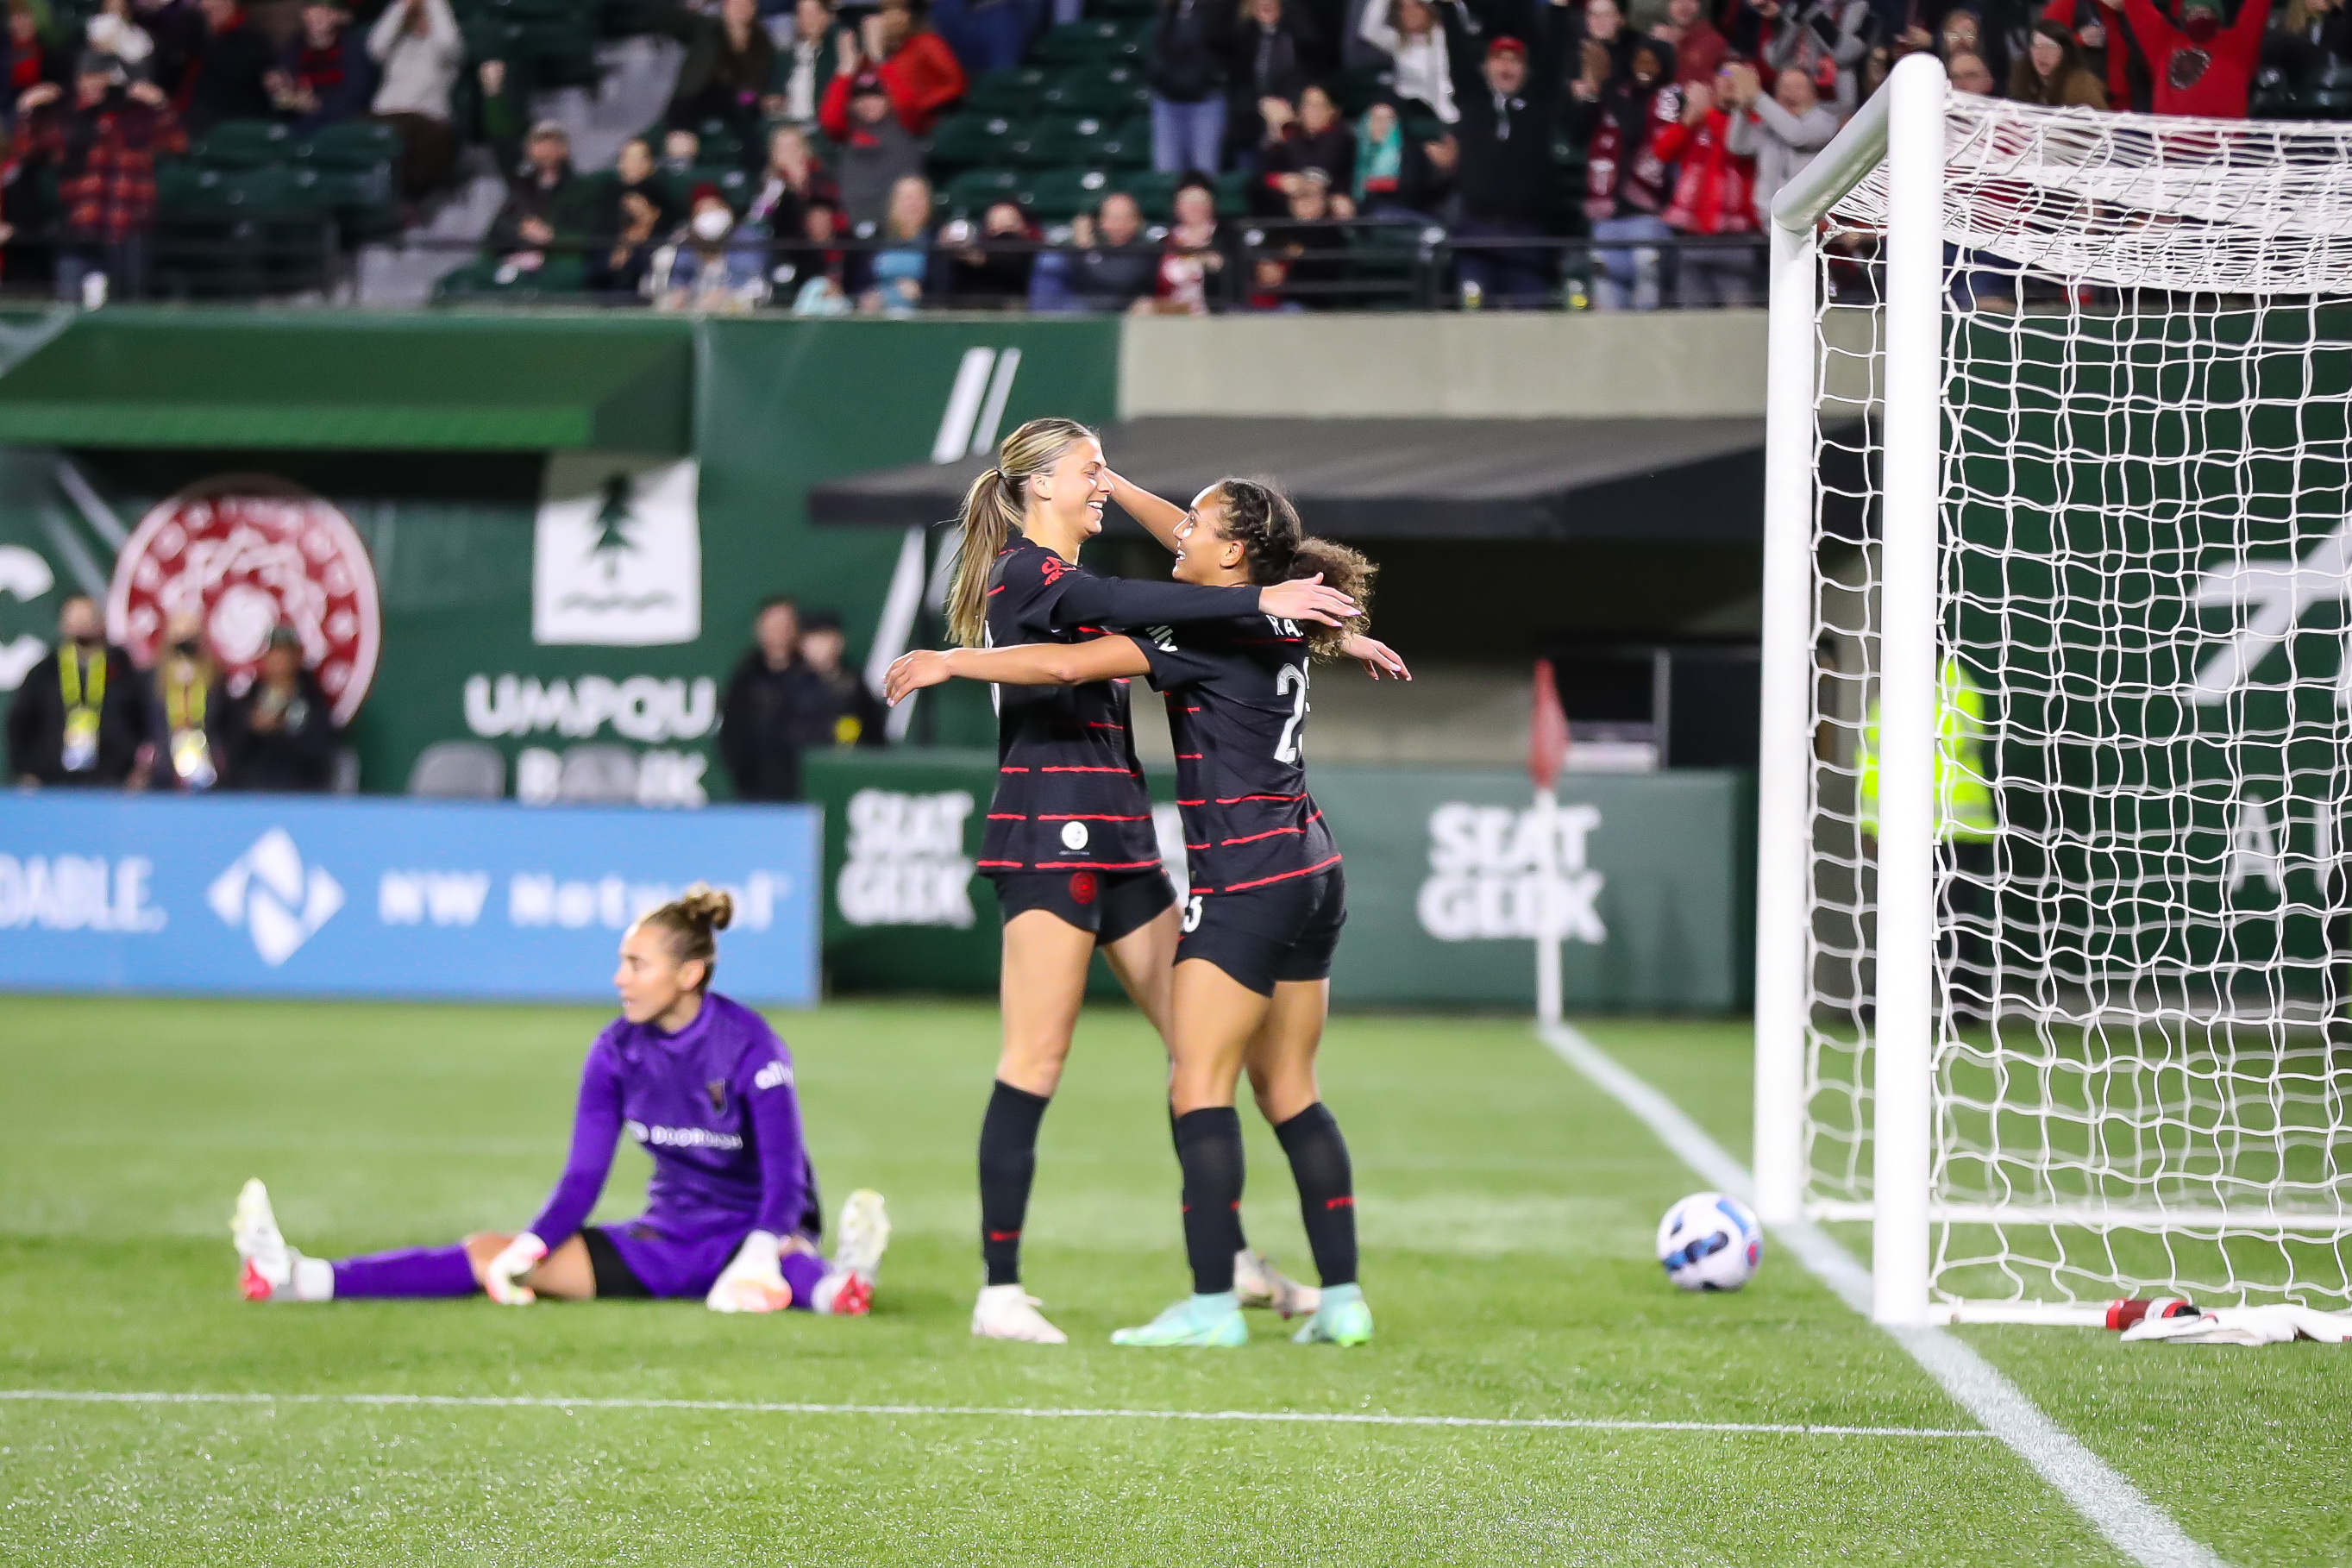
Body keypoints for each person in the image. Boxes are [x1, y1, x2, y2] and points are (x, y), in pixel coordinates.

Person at [885, 474, 1408, 1349]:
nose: (1177, 532)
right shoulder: (1274, 610)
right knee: (1291, 1091)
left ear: (1234, 550)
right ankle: (1344, 1299)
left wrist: (951, 660)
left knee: (1196, 1085)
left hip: (1244, 878)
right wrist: (1120, 482)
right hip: (1316, 865)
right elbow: (1205, 561)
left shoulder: (1196, 628)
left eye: (1194, 522)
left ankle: (1211, 1306)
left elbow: (1061, 660)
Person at [231, 887, 894, 1315]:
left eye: (638, 964)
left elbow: (785, 1183)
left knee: (792, 1264)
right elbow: (582, 1180)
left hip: (759, 1235)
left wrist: (757, 1252)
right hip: (662, 1240)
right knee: (487, 1252)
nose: (619, 979)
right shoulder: (614, 1052)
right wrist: (531, 1246)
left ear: (688, 974)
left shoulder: (751, 1045)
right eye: (621, 961)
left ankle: (840, 1284)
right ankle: (302, 1277)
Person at [15, 53, 182, 302]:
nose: (94, 83)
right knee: (69, 307)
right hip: (79, 224)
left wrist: (160, 105)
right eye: (88, 76)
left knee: (128, 307)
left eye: (102, 76)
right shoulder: (65, 116)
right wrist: (26, 109)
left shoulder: (138, 115)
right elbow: (26, 152)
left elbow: (177, 145)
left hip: (128, 226)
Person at [1439, 0, 1566, 308]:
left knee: (1532, 317)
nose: (1506, 67)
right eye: (1499, 59)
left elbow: (1553, 60)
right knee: (1472, 306)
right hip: (1475, 237)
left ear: (1525, 70)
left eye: (1514, 61)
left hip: (1527, 240)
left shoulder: (1539, 107)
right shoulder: (1472, 100)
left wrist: (1559, 13)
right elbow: (1456, 52)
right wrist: (1446, 9)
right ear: (1486, 66)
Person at [1570, 34, 1681, 312]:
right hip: (1606, 222)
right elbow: (1575, 133)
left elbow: (1633, 128)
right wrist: (1594, 90)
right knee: (1607, 319)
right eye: (1640, 60)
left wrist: (1605, 82)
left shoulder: (1671, 99)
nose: (1644, 66)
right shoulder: (1617, 95)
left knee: (1646, 313)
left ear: (1664, 67)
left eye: (1652, 61)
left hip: (1646, 221)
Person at [5, 592, 144, 787]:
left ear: (100, 623)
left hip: (111, 784)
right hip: (52, 785)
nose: (81, 625)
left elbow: (143, 724)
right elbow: (20, 725)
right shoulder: (44, 673)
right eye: (75, 618)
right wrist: (26, 771)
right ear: (63, 624)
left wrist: (135, 770)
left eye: (87, 618)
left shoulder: (122, 670)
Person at [1653, 69, 1757, 307]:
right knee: (1694, 324)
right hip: (1694, 236)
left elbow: (1735, 146)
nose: (1729, 81)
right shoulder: (1696, 119)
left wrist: (1710, 110)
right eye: (1724, 74)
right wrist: (1689, 119)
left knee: (1739, 321)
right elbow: (1663, 151)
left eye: (1736, 76)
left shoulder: (1753, 120)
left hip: (1736, 239)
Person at [721, 597, 823, 800]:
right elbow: (731, 734)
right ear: (759, 629)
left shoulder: (813, 679)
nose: (779, 632)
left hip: (804, 790)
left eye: (785, 625)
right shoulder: (745, 679)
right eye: (773, 626)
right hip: (753, 791)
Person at [216, 626, 338, 793]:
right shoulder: (249, 700)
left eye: (286, 653)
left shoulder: (313, 702)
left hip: (297, 792)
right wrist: (251, 728)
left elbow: (321, 754)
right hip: (248, 793)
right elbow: (230, 753)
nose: (280, 660)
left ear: (298, 656)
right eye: (275, 653)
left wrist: (283, 728)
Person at [366, 0, 463, 203]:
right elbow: (374, 46)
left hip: (425, 118)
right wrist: (402, 7)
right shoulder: (399, 45)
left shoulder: (446, 51)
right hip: (386, 115)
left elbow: (447, 41)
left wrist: (434, 4)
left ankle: (406, 205)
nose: (421, 21)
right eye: (417, 17)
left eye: (426, 16)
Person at [1722, 60, 1836, 229]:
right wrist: (1742, 105)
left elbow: (1797, 135)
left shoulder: (1824, 121)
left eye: (1798, 87)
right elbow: (1738, 145)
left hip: (1812, 223)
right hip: (1770, 223)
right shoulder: (1769, 126)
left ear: (1813, 94)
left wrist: (1757, 97)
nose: (1791, 94)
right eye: (1785, 87)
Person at [832, 0, 965, 136]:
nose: (895, 19)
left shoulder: (927, 43)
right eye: (887, 12)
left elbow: (956, 85)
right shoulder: (870, 53)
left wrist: (922, 104)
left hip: (919, 128)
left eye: (901, 11)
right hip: (879, 130)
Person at [2112, 0, 2267, 116]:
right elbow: (2137, 7)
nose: (2198, 15)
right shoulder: (2164, 43)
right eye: (2191, 11)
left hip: (2225, 151)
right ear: (2183, 17)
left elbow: (2258, 7)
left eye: (2206, 10)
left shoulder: (2238, 43)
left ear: (2217, 15)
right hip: (2173, 151)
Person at [818, 66, 924, 233]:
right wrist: (844, 74)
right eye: (861, 98)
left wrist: (882, 63)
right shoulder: (848, 130)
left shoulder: (906, 125)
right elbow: (830, 120)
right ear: (852, 104)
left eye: (876, 97)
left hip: (896, 225)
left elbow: (908, 103)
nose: (868, 103)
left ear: (889, 99)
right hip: (851, 226)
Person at [668, 0, 777, 158]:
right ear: (726, 7)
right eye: (735, 5)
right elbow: (697, 75)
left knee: (746, 113)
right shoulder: (708, 30)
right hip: (703, 96)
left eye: (746, 5)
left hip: (741, 100)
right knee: (681, 110)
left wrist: (750, 98)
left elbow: (757, 82)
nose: (740, 10)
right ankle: (682, 158)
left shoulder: (762, 40)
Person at [486, 119, 588, 275]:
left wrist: (552, 236)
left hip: (557, 266)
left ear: (563, 149)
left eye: (551, 144)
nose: (544, 150)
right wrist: (522, 230)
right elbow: (498, 229)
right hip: (515, 261)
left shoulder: (577, 189)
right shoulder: (521, 188)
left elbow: (586, 233)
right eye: (539, 143)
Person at [1224, 0, 1318, 160]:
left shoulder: (1295, 37)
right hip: (1248, 125)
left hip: (1288, 122)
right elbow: (1237, 83)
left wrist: (1285, 105)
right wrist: (1262, 104)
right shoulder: (1239, 36)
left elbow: (1302, 77)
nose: (1266, 4)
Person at [138, 610, 220, 791]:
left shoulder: (215, 679)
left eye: (191, 634)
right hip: (163, 773)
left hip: (207, 771)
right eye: (179, 634)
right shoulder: (152, 680)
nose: (185, 640)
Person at [1149, 0, 1233, 172]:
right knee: (1166, 172)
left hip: (1206, 99)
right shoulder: (1169, 8)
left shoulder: (1221, 6)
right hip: (1168, 99)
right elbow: (1159, 49)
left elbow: (1226, 43)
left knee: (1204, 170)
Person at [658, 182, 770, 311]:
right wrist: (680, 292)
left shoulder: (747, 238)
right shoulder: (687, 240)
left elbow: (748, 277)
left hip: (738, 301)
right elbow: (680, 279)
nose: (711, 215)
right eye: (703, 210)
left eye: (715, 208)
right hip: (697, 301)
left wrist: (724, 293)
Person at [169, 0, 273, 134]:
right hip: (190, 116)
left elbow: (232, 77)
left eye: (213, 11)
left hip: (232, 120)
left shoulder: (252, 41)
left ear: (230, 7)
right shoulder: (193, 37)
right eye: (204, 13)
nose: (208, 17)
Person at [267, 0, 373, 131]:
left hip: (338, 116)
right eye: (311, 13)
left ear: (335, 16)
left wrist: (318, 102)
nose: (315, 19)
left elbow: (355, 93)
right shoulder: (295, 46)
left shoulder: (351, 48)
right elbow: (284, 80)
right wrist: (282, 87)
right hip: (297, 114)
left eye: (322, 13)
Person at [1255, 80, 1352, 213]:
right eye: (1308, 105)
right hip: (1291, 206)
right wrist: (1280, 181)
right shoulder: (1290, 139)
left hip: (1329, 206)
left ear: (1333, 110)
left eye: (1319, 106)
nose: (1313, 112)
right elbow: (1265, 177)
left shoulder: (1342, 138)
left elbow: (1338, 175)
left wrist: (1310, 187)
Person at [794, 607, 886, 748]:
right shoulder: (790, 686)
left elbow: (875, 736)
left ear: (839, 641)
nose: (820, 646)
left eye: (825, 637)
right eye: (813, 639)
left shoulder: (855, 686)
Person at [1357, 0, 1455, 122]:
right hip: (1409, 112)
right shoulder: (1398, 41)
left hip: (1448, 111)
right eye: (1403, 8)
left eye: (1416, 7)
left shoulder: (1445, 35)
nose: (1410, 13)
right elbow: (1369, 31)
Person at [1350, 97, 1446, 218]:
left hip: (1401, 213)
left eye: (1389, 119)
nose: (1381, 125)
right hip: (1362, 214)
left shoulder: (1410, 150)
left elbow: (1415, 190)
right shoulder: (1355, 148)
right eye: (1376, 119)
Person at [1064, 190, 1159, 311]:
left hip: (1126, 317)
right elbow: (1066, 276)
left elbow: (1120, 281)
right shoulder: (1091, 249)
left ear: (1137, 221)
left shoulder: (1146, 252)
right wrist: (1082, 248)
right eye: (1113, 218)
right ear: (1101, 221)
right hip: (1082, 315)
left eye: (1126, 217)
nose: (1119, 224)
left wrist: (1085, 250)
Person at [1148, 172, 1230, 311]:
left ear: (1212, 204)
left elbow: (1235, 283)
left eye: (1200, 200)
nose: (1194, 207)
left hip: (1212, 313)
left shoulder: (1227, 237)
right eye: (1188, 201)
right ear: (1177, 207)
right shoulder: (1166, 242)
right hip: (1174, 312)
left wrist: (1212, 262)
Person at [857, 169, 931, 312]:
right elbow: (858, 284)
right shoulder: (877, 237)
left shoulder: (936, 239)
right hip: (876, 314)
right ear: (894, 203)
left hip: (919, 316)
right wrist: (867, 297)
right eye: (907, 198)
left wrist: (922, 295)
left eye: (918, 197)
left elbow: (943, 291)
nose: (912, 204)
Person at [944, 198, 1037, 307]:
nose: (1002, 224)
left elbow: (1013, 264)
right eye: (997, 219)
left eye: (1007, 220)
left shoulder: (1025, 248)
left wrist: (982, 259)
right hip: (967, 306)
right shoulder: (978, 244)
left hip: (1007, 306)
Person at [772, 0, 838, 129]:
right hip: (790, 127)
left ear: (827, 16)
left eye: (813, 13)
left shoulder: (837, 55)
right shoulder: (786, 57)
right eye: (802, 13)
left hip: (823, 127)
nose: (808, 19)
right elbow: (774, 93)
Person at [2010, 16, 2106, 100]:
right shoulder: (2022, 79)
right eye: (2037, 46)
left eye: (2050, 47)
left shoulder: (2082, 86)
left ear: (2065, 53)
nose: (2042, 54)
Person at [1653, 0, 1727, 84]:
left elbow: (1727, 72)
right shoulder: (1655, 39)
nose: (1684, 5)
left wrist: (1725, 74)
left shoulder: (1714, 41)